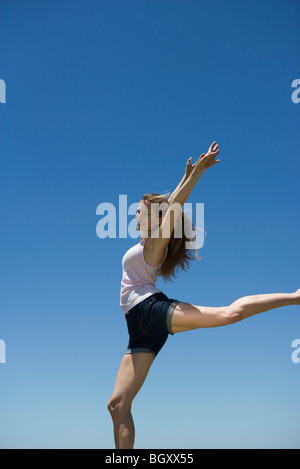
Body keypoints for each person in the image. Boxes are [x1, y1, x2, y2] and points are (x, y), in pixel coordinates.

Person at [107, 141, 300, 449]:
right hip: (137, 327)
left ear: (157, 220)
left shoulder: (154, 244)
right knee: (117, 405)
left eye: (140, 213)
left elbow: (173, 205)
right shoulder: (148, 238)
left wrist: (196, 173)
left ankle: (295, 296)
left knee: (229, 314)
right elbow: (170, 201)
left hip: (150, 309)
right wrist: (184, 177)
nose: (136, 216)